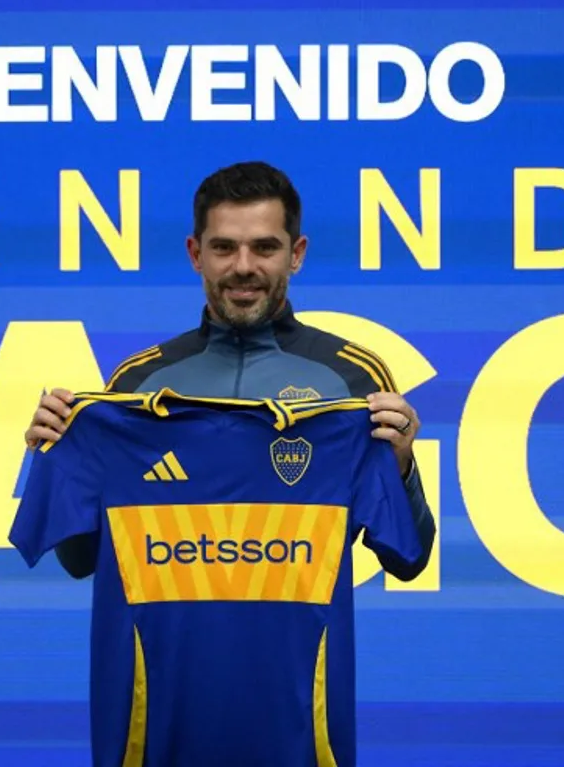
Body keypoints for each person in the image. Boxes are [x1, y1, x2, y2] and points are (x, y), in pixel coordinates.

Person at [24, 159, 435, 581]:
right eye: (223, 247)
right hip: (163, 647)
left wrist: (402, 468)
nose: (243, 266)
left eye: (264, 247)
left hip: (301, 647)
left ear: (296, 254)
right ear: (195, 254)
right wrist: (59, 458)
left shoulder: (355, 379)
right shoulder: (135, 384)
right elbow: (82, 561)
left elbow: (409, 561)